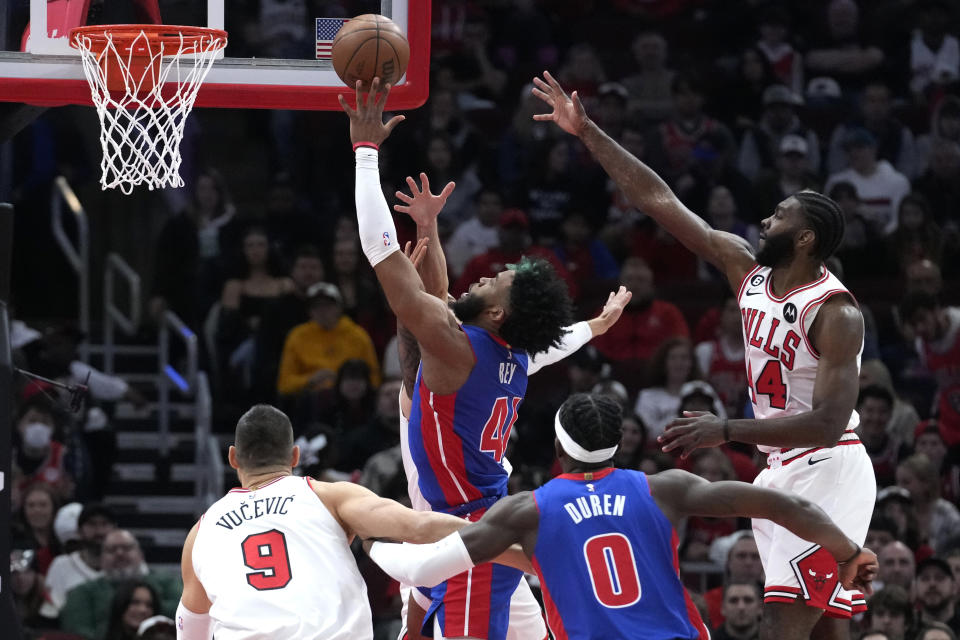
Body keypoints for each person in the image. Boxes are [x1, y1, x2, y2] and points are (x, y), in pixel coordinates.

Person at [531, 69, 877, 639]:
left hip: (829, 466)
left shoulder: (836, 313)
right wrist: (588, 132)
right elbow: (658, 200)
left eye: (781, 215)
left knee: (782, 625)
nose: (767, 219)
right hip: (779, 472)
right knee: (822, 629)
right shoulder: (747, 270)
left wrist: (726, 431)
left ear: (807, 238)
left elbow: (828, 422)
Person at [340, 79, 629, 640]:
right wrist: (595, 325)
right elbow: (545, 339)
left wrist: (364, 152)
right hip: (483, 522)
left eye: (501, 282)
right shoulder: (512, 356)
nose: (493, 273)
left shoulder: (459, 346)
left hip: (467, 536)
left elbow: (380, 253)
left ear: (499, 315)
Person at [367, 393, 878, 640]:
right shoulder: (665, 488)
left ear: (557, 446)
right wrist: (847, 550)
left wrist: (366, 540)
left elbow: (420, 571)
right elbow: (783, 505)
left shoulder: (525, 510)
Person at [176, 404, 521, 639]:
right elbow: (419, 527)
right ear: (295, 456)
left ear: (233, 457)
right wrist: (515, 548)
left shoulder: (201, 532)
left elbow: (190, 628)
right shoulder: (328, 496)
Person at [61, 529, 181, 639]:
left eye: (127, 548)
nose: (119, 553)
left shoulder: (166, 582)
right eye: (111, 550)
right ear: (101, 559)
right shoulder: (83, 592)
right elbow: (77, 632)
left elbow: (185, 615)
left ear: (140, 555)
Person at [41, 502, 116, 618]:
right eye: (92, 524)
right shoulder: (61, 564)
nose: (99, 531)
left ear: (114, 529)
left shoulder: (126, 563)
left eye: (105, 524)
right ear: (79, 531)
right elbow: (50, 612)